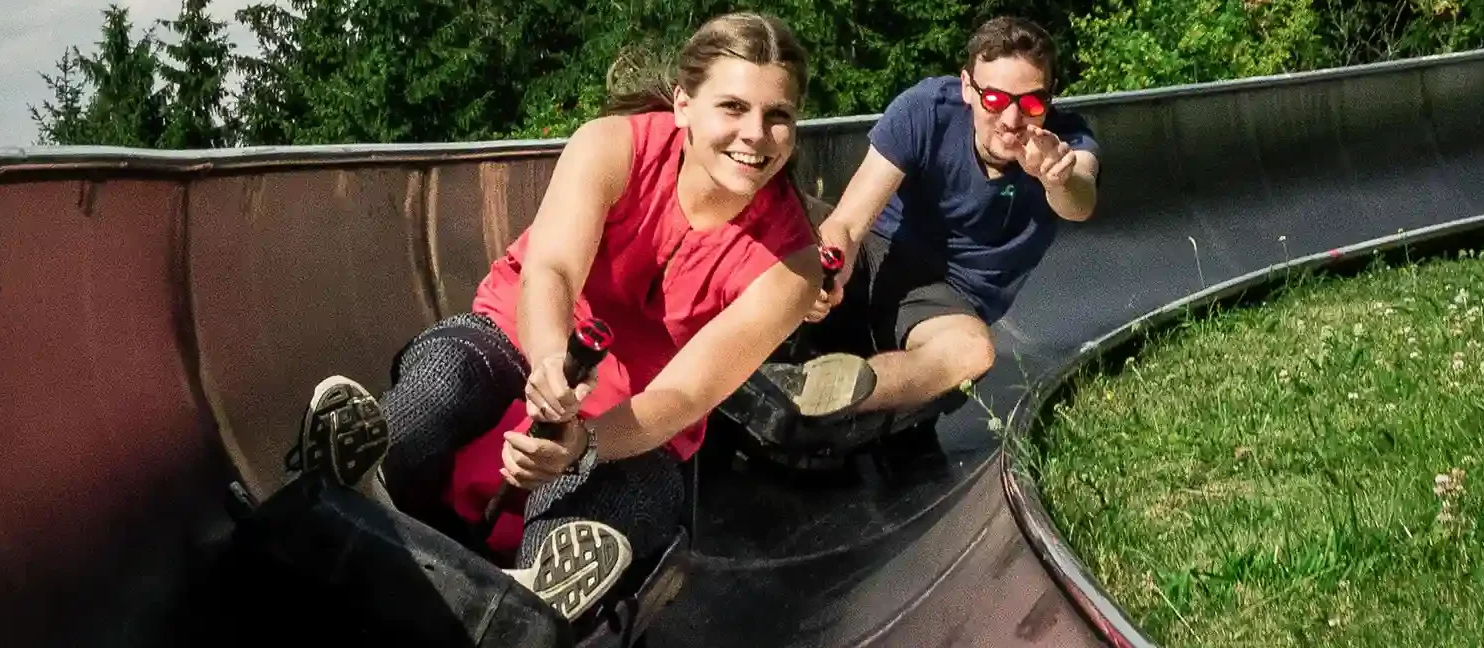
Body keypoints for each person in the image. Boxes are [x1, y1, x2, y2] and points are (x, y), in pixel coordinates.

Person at [277, 12, 859, 624]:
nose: (755, 135)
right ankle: (352, 473)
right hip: (519, 337)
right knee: (446, 380)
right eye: (733, 108)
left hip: (636, 422)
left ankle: (533, 600)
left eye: (777, 118)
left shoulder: (791, 267)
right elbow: (550, 270)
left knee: (582, 485)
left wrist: (584, 442)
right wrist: (551, 357)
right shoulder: (612, 146)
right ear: (685, 104)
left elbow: (686, 392)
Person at [759, 16, 1101, 435]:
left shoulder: (1065, 143)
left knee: (971, 352)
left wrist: (1057, 178)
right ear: (967, 88)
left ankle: (813, 396)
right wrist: (825, 269)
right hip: (877, 251)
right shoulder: (927, 110)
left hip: (942, 301)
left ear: (1049, 100)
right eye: (994, 99)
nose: (1011, 119)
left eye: (1031, 103)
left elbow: (1080, 202)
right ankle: (711, 336)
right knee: (770, 200)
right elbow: (848, 223)